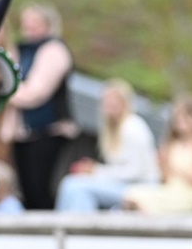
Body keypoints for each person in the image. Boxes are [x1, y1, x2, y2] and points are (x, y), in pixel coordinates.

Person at [6, 2, 77, 209]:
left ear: (48, 24)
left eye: (34, 22)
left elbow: (35, 93)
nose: (27, 26)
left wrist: (4, 92)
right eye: (25, 21)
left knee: (39, 188)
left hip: (46, 131)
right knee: (26, 190)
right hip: (23, 133)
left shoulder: (54, 50)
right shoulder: (23, 50)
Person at [54, 78, 160, 212]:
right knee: (70, 183)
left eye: (114, 100)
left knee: (76, 188)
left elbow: (135, 172)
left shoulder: (132, 127)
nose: (109, 104)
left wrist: (96, 171)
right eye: (106, 100)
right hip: (124, 186)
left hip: (139, 189)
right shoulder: (112, 130)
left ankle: (80, 224)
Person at [121, 91, 192, 214]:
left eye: (188, 116)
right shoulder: (171, 142)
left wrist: (175, 168)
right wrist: (162, 164)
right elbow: (165, 179)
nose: (182, 120)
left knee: (142, 202)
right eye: (178, 116)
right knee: (131, 195)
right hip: (172, 190)